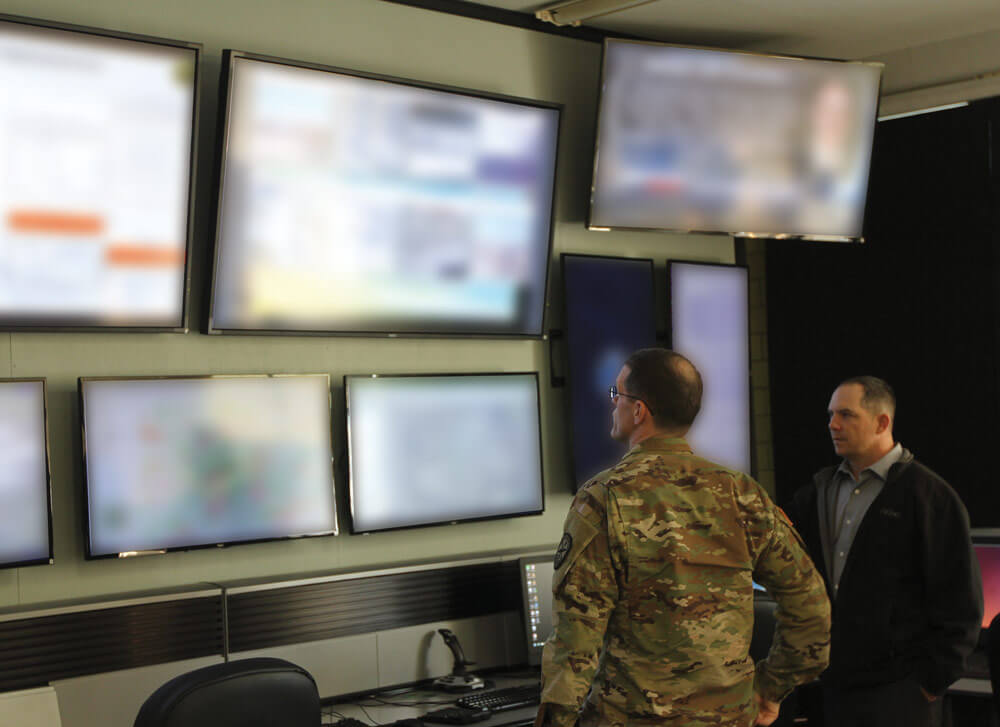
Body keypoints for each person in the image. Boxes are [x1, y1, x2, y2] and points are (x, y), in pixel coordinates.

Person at [536, 348, 831, 727]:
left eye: (617, 395)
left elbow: (575, 638)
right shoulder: (741, 493)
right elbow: (812, 611)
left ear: (639, 410)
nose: (613, 405)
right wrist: (769, 689)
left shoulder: (605, 498)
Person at [785, 376, 983, 727]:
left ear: (882, 422)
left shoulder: (929, 497)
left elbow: (961, 601)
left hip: (902, 690)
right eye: (831, 414)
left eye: (846, 414)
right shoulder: (819, 491)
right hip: (834, 682)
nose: (832, 424)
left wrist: (931, 681)